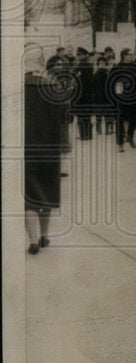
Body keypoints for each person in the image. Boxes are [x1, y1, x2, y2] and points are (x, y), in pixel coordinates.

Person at [24, 45, 64, 254]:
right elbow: (64, 119)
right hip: (49, 148)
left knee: (28, 197)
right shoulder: (52, 87)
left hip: (24, 151)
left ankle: (32, 240)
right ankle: (44, 236)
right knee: (46, 192)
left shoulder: (14, 88)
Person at [109, 48, 136, 152]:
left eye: (132, 55)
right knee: (120, 120)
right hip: (121, 98)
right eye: (129, 54)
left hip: (133, 96)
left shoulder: (135, 67)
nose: (131, 56)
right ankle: (120, 144)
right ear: (124, 56)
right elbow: (113, 83)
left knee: (134, 118)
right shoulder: (117, 68)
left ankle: (130, 135)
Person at [71, 48, 95, 141]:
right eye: (78, 54)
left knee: (81, 115)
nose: (79, 56)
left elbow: (75, 79)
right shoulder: (88, 65)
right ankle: (88, 135)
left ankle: (83, 135)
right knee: (87, 115)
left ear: (85, 55)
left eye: (80, 54)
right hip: (87, 95)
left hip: (81, 95)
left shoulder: (81, 66)